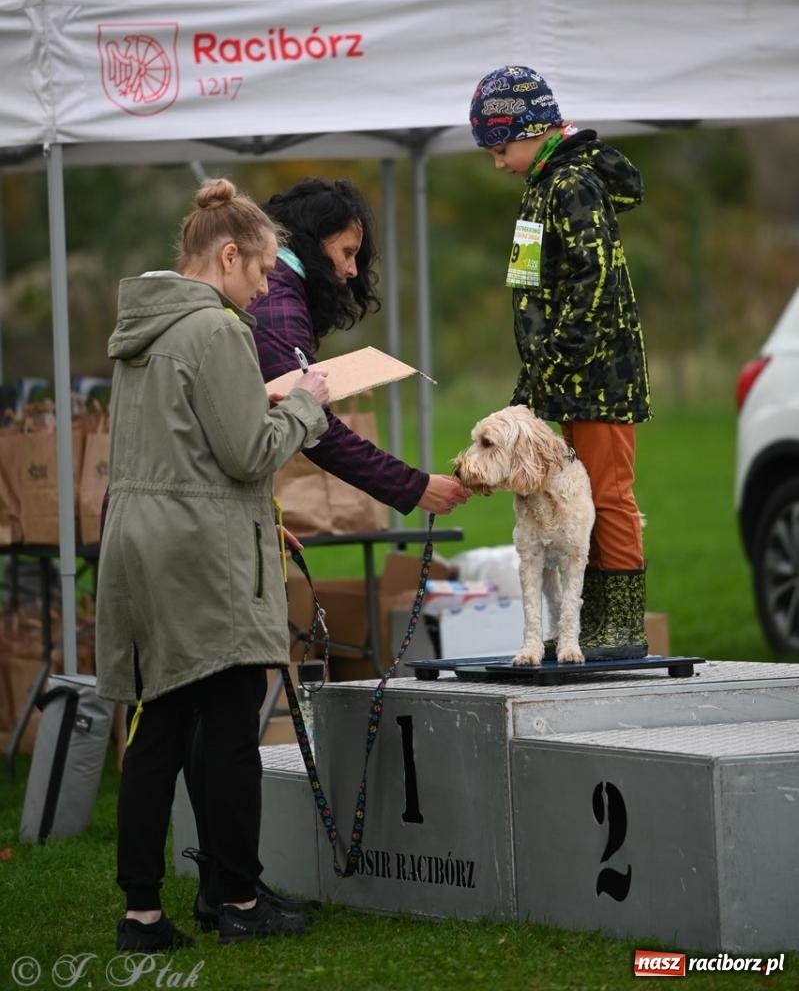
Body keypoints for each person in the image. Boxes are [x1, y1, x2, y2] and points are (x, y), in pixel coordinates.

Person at [95, 178, 330, 951]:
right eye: (260, 271)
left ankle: (142, 913)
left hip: (140, 538)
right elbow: (247, 454)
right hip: (200, 547)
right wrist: (306, 402)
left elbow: (186, 445)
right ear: (228, 256)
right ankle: (237, 899)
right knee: (230, 719)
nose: (263, 290)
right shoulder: (217, 330)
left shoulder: (141, 329)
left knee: (159, 721)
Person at [468, 65, 651, 660]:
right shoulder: (544, 185)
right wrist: (536, 378)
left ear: (532, 129)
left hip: (598, 377)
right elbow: (536, 283)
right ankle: (582, 623)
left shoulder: (572, 184)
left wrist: (558, 360)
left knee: (606, 493)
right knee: (569, 494)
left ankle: (618, 625)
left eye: (501, 149)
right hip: (562, 377)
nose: (498, 163)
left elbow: (592, 283)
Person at [249, 176, 469, 517]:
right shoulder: (278, 308)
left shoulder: (277, 294)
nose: (352, 270)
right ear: (313, 241)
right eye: (347, 252)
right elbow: (315, 426)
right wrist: (415, 486)